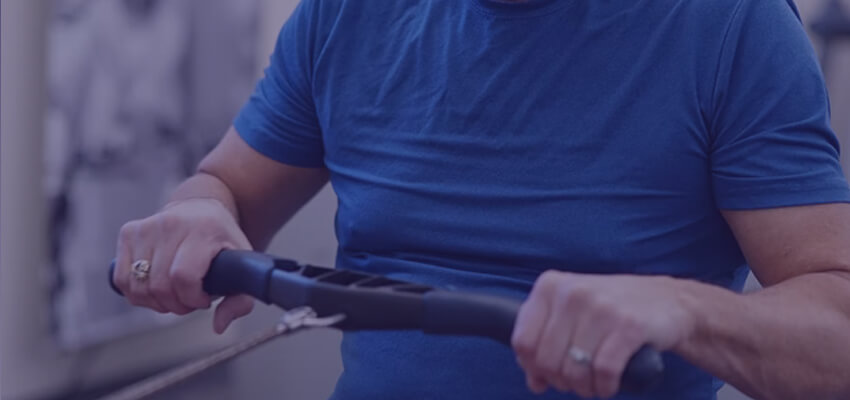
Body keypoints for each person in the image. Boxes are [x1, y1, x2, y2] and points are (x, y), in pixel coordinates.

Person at [111, 0, 850, 399]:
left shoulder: (731, 25)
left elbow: (836, 333)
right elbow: (226, 188)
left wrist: (682, 307)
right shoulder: (345, 16)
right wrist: (199, 213)